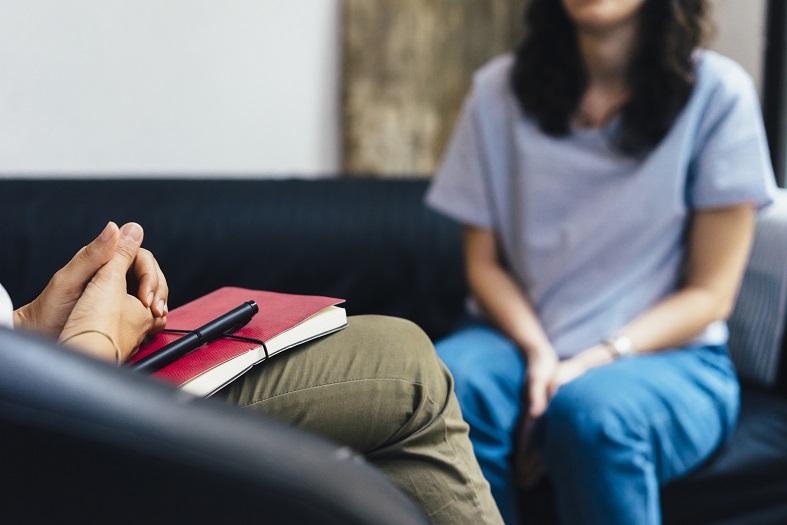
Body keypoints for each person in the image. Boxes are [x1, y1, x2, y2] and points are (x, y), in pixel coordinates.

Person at [426, 0, 776, 524]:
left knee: (593, 413)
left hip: (663, 355)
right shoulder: (496, 91)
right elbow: (484, 264)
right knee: (447, 384)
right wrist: (539, 354)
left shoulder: (719, 95)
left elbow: (711, 295)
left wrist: (594, 361)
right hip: (515, 339)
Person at [4, 220, 504, 525]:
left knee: (402, 353)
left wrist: (28, 323)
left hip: (33, 377)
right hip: (44, 426)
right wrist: (93, 343)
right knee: (406, 375)